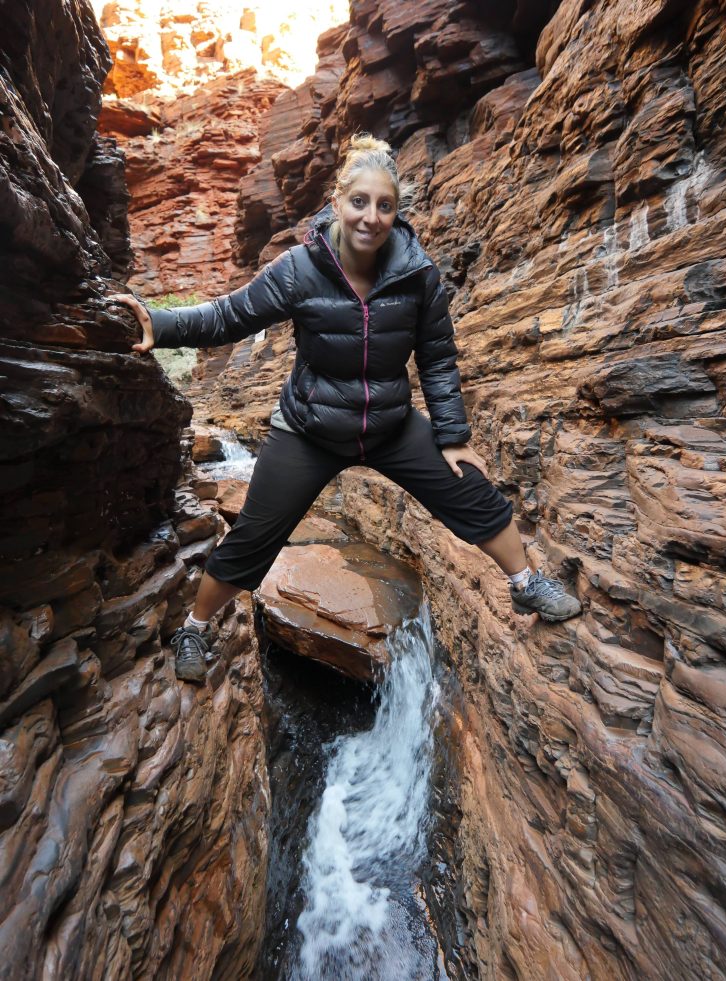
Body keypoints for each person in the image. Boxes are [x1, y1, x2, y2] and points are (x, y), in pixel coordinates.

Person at [110, 133, 581, 683]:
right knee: (253, 537)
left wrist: (452, 435)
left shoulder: (417, 273)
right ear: (337, 202)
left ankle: (526, 583)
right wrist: (161, 323)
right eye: (360, 202)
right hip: (309, 428)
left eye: (385, 206)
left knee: (471, 488)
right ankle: (195, 626)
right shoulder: (299, 268)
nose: (371, 217)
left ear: (397, 213)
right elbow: (229, 316)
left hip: (389, 425)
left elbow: (436, 355)